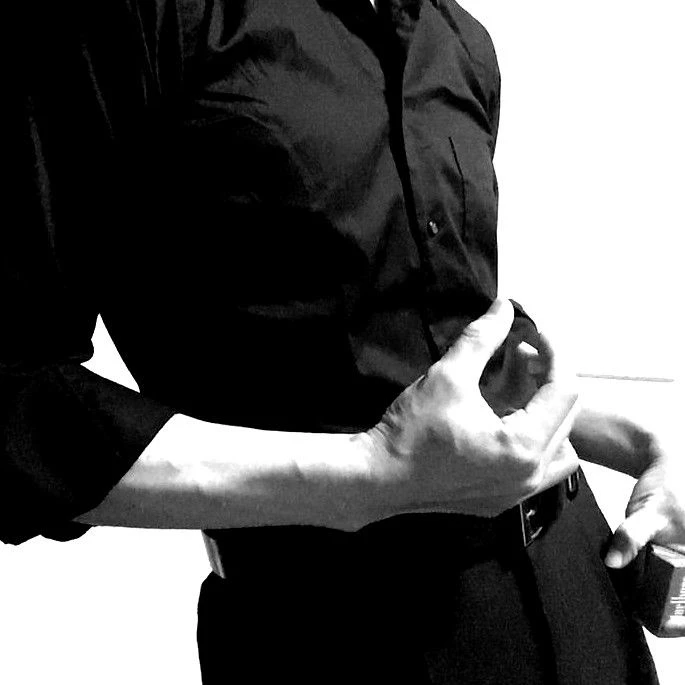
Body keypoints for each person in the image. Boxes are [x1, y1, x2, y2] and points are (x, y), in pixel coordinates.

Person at [3, 1, 683, 683]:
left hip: (580, 582)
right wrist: (368, 474)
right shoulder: (125, 19)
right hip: (333, 630)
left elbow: (425, 351)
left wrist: (643, 442)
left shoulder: (455, 37)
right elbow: (14, 396)